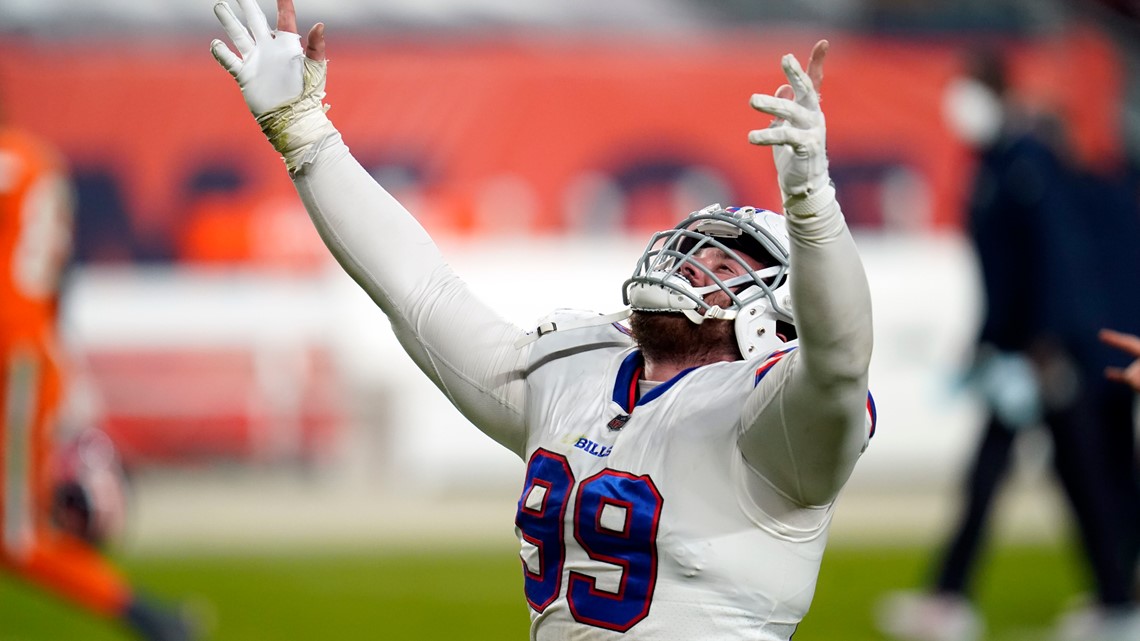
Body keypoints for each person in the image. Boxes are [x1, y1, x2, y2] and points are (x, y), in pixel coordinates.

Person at [211, 1, 874, 638]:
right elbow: (421, 292)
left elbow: (839, 359)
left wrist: (810, 202)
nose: (696, 262)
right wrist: (305, 132)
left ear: (777, 320)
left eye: (729, 263)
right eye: (698, 246)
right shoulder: (576, 375)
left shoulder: (780, 431)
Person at [876, 47, 1140, 641]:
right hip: (1024, 352)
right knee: (1071, 475)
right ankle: (1113, 600)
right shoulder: (996, 163)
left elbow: (1054, 260)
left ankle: (956, 598)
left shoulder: (1025, 163)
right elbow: (1008, 273)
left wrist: (1045, 342)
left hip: (1043, 353)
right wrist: (988, 343)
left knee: (1054, 474)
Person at [0, 88, 200, 640]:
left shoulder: (14, 160)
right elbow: (58, 276)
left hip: (12, 352)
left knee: (14, 536)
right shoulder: (38, 161)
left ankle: (148, 616)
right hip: (28, 346)